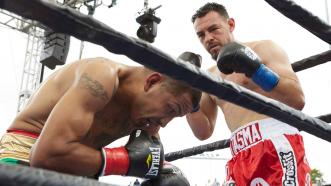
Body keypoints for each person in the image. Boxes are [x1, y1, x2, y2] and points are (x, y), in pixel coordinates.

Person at [0, 52, 201, 180]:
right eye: (171, 109)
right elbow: (46, 155)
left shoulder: (150, 115)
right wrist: (123, 162)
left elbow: (148, 157)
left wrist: (163, 172)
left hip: (79, 170)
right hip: (25, 153)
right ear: (152, 82)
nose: (165, 123)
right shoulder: (100, 78)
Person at [187, 2, 311, 185]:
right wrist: (190, 96)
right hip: (238, 155)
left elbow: (297, 99)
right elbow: (203, 132)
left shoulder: (263, 48)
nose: (208, 38)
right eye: (201, 34)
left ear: (230, 24)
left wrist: (256, 71)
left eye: (214, 29)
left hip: (275, 143)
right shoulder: (209, 75)